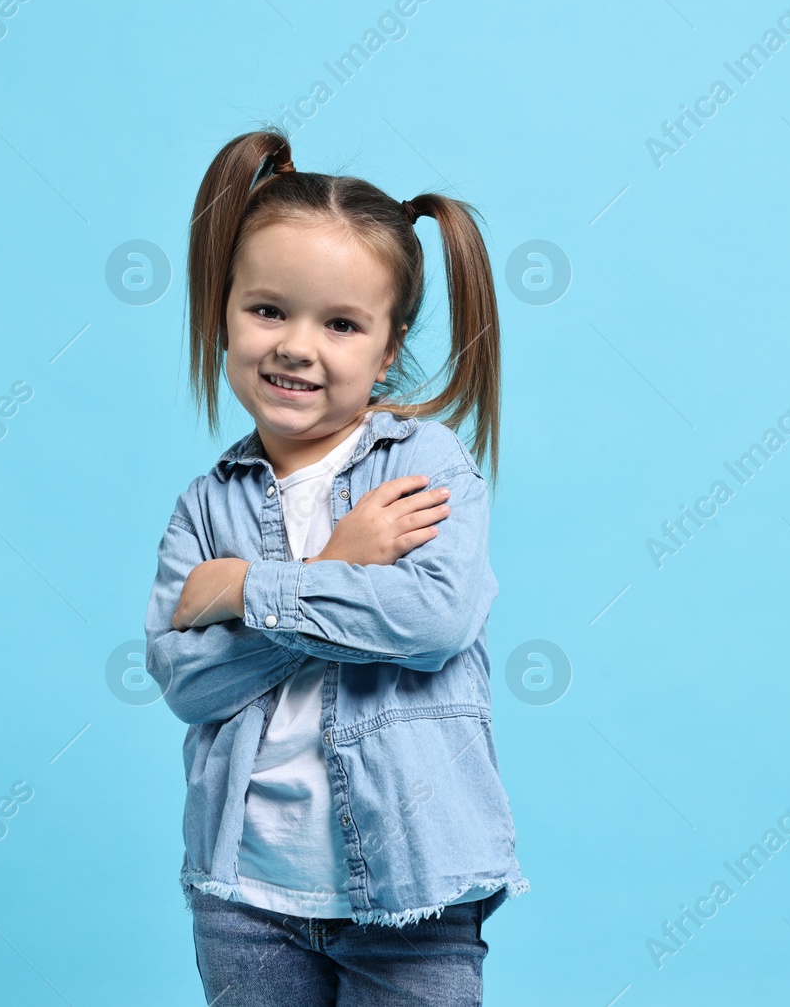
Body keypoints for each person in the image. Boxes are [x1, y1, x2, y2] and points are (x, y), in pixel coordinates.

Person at [144, 126, 527, 1006]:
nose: (296, 346)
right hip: (244, 894)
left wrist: (249, 588)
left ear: (388, 349)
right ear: (224, 310)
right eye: (268, 309)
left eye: (342, 323)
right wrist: (340, 569)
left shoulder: (426, 465)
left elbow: (427, 625)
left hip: (412, 894)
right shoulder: (207, 504)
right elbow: (186, 682)